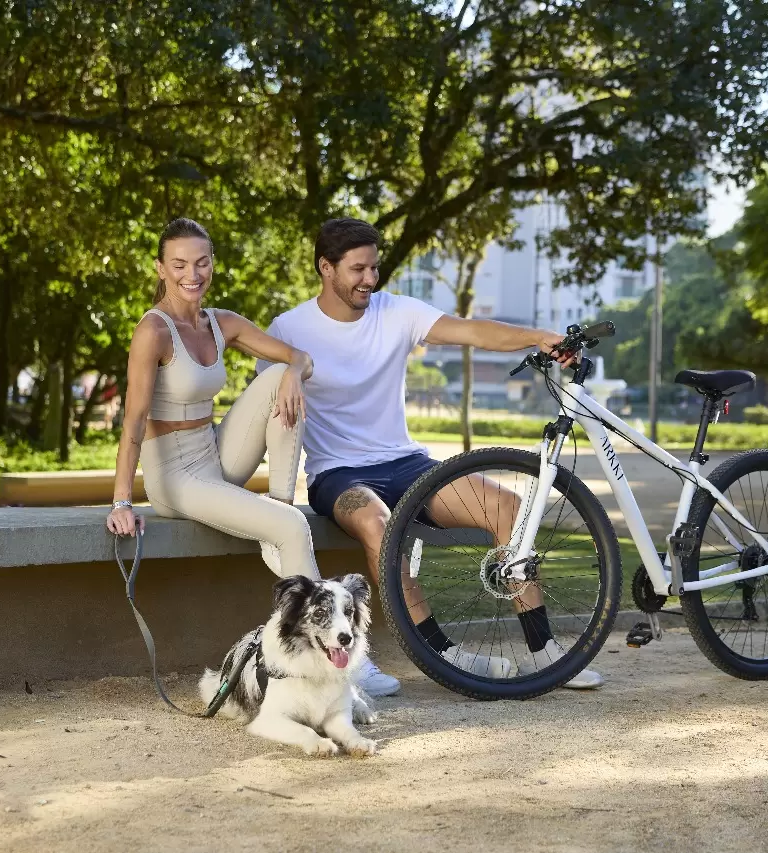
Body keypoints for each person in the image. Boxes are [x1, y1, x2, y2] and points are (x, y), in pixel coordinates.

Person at [260, 218, 603, 697]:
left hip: (407, 463)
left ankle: (546, 652)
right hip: (338, 474)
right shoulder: (288, 330)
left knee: (507, 507)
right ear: (326, 268)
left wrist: (538, 337)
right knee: (380, 525)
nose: (370, 279)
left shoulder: (395, 312)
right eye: (358, 269)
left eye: (374, 268)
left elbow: (472, 331)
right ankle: (436, 653)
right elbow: (271, 414)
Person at [106, 218, 321, 584]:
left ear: (212, 263)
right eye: (179, 265)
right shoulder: (153, 331)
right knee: (293, 527)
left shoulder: (221, 322)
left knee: (278, 377)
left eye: (201, 262)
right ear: (161, 268)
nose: (192, 274)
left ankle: (281, 503)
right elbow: (135, 419)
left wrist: (292, 372)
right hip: (175, 477)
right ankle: (323, 637)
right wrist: (121, 502)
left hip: (216, 454)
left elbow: (303, 359)